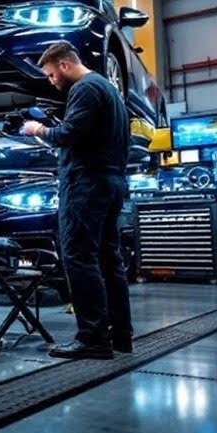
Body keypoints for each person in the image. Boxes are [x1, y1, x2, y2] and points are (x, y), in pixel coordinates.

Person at [21, 41, 132, 360]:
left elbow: (69, 135)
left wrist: (38, 129)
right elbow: (88, 135)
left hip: (86, 185)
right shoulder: (110, 91)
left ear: (65, 65)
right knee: (109, 259)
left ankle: (93, 338)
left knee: (79, 256)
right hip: (110, 184)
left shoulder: (84, 88)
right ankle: (121, 335)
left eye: (51, 75)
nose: (51, 81)